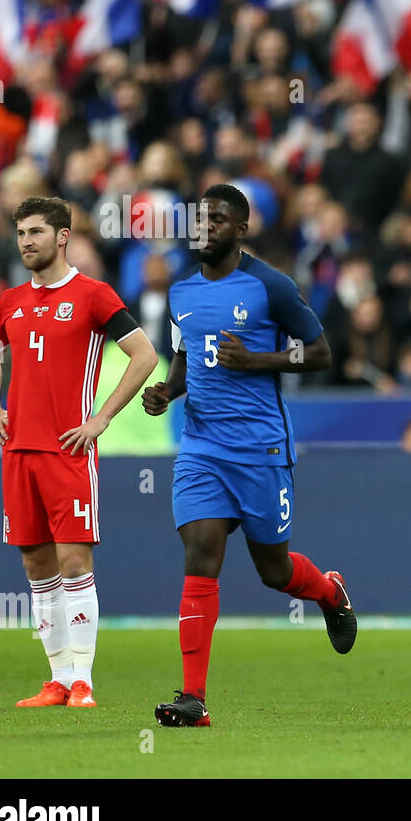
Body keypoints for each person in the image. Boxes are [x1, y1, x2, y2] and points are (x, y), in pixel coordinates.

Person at [141, 185, 356, 728]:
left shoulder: (270, 286)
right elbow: (187, 354)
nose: (203, 227)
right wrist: (169, 391)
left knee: (273, 570)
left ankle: (330, 593)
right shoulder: (181, 291)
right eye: (197, 219)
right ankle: (193, 698)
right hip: (202, 446)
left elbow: (322, 352)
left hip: (260, 448)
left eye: (216, 219)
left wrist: (260, 359)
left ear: (240, 229)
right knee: (201, 551)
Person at [0, 196, 158, 708]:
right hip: (19, 454)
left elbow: (144, 356)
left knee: (75, 562)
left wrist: (101, 418)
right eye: (20, 233)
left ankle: (84, 681)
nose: (26, 242)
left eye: (36, 232)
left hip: (68, 451)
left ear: (62, 237)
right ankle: (56, 680)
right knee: (36, 565)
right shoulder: (9, 301)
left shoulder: (93, 296)